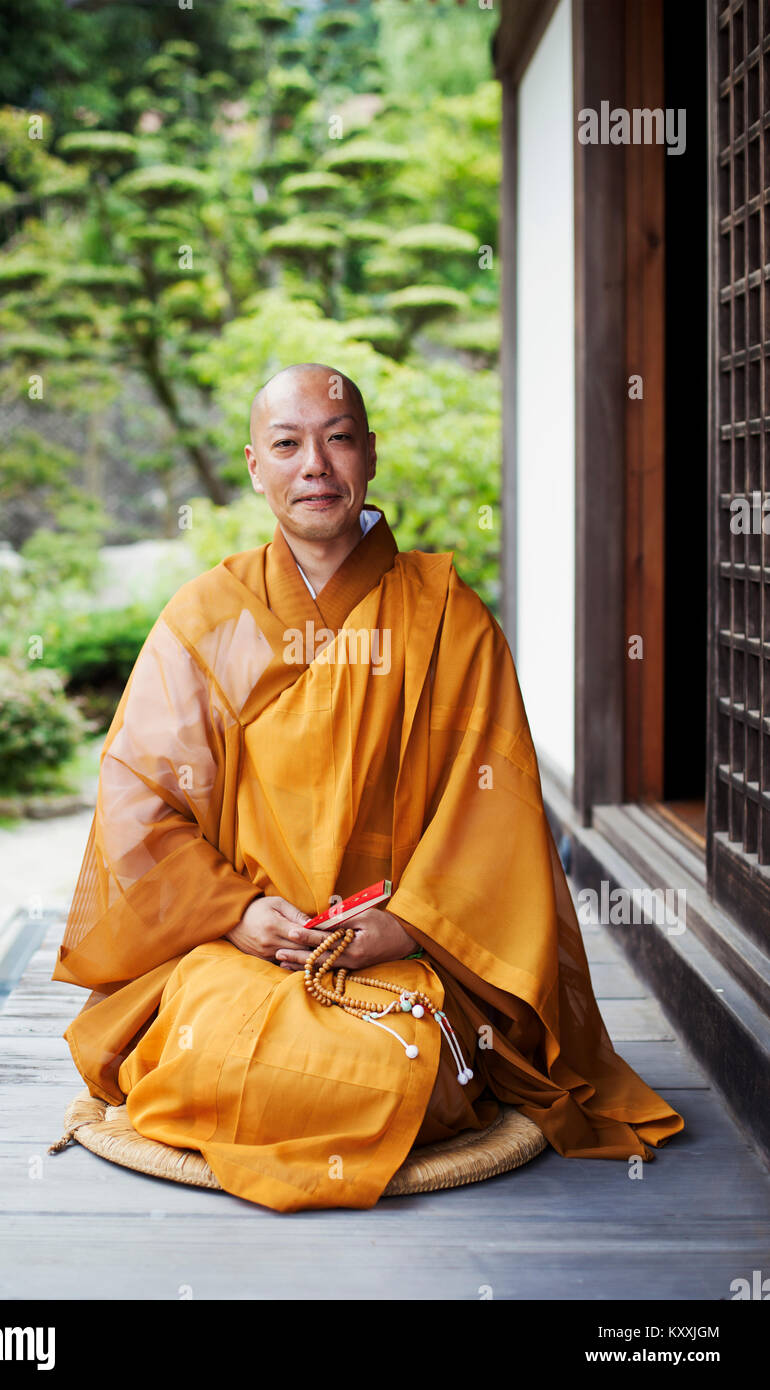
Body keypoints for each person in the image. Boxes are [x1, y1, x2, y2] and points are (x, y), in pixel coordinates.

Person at [52, 361, 684, 1212]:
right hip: (242, 947)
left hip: (402, 955)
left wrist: (409, 921)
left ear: (370, 455)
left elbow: (493, 817)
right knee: (203, 1047)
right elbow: (141, 807)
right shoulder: (215, 616)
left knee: (389, 1068)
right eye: (287, 444)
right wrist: (234, 912)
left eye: (337, 439)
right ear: (253, 465)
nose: (315, 464)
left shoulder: (447, 615)